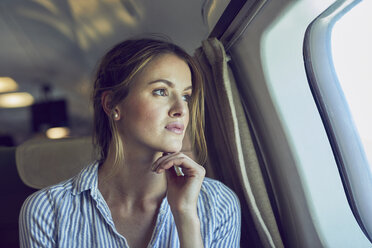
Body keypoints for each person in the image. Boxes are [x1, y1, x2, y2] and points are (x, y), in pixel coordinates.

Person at [19, 38, 241, 247]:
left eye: (186, 96)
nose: (181, 110)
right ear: (113, 104)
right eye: (161, 91)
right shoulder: (47, 211)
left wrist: (185, 216)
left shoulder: (218, 204)